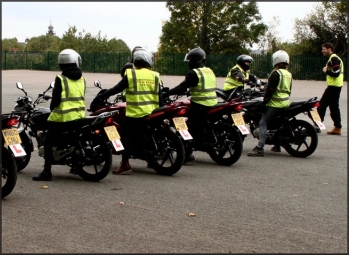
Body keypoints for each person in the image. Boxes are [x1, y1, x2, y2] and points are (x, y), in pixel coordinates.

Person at [97, 48, 163, 174]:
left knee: (123, 135)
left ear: (135, 61)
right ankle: (150, 159)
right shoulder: (155, 75)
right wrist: (160, 110)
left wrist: (103, 95)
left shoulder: (132, 74)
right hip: (152, 112)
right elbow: (160, 97)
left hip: (136, 113)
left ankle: (125, 164)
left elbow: (117, 89)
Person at [32, 49, 86, 181]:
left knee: (48, 141)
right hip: (78, 116)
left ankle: (47, 172)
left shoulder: (61, 79)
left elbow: (55, 100)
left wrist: (52, 109)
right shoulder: (82, 78)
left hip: (62, 117)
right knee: (72, 139)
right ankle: (74, 165)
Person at [163, 47, 218, 163]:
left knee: (182, 123)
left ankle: (187, 153)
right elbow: (201, 86)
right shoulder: (209, 71)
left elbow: (182, 87)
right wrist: (190, 91)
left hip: (200, 104)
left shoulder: (194, 73)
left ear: (196, 60)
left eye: (190, 60)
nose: (189, 63)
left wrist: (167, 93)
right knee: (197, 124)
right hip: (212, 103)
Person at [247, 50, 292, 157]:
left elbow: (269, 90)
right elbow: (289, 89)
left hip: (275, 104)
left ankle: (260, 148)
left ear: (276, 60)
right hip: (285, 103)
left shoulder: (276, 73)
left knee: (263, 123)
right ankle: (277, 145)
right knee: (278, 124)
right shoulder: (288, 74)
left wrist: (264, 103)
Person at [316, 42, 344, 135]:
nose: (322, 51)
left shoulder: (334, 59)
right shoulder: (334, 58)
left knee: (321, 105)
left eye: (323, 49)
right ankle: (337, 127)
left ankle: (317, 125)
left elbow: (336, 73)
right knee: (334, 107)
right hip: (337, 86)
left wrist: (326, 71)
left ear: (329, 49)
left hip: (333, 86)